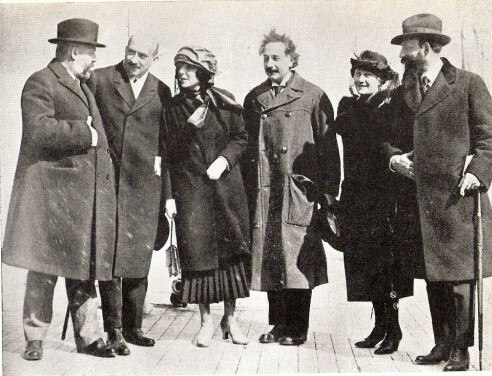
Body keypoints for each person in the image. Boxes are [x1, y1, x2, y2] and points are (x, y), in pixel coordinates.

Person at [384, 13, 492, 371]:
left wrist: (477, 174)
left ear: (427, 46)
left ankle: (461, 349)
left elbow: (491, 138)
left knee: (459, 278)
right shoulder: (404, 90)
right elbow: (388, 139)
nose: (402, 51)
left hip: (457, 197)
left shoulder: (467, 84)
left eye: (407, 44)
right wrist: (394, 160)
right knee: (434, 275)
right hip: (419, 199)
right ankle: (441, 343)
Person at [1, 18, 117, 360]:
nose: (94, 60)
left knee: (84, 269)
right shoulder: (40, 82)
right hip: (51, 197)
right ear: (75, 51)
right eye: (91, 52)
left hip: (80, 199)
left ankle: (90, 337)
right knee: (44, 268)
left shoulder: (84, 86)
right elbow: (37, 131)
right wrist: (86, 133)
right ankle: (34, 338)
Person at [242, 30, 341, 346]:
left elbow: (328, 149)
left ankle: (297, 328)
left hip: (298, 191)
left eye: (277, 58)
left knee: (297, 260)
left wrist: (327, 193)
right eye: (266, 58)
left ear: (292, 60)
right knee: (271, 257)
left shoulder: (312, 96)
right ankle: (277, 324)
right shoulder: (255, 98)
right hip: (266, 190)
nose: (270, 64)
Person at [89, 33, 171, 355]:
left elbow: (165, 146)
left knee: (138, 258)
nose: (133, 60)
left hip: (144, 189)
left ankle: (134, 327)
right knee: (109, 260)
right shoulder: (100, 79)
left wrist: (166, 195)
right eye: (130, 52)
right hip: (108, 183)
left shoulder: (162, 91)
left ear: (154, 59)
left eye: (142, 55)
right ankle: (114, 331)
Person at [164, 46, 251, 348]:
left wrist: (224, 160)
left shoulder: (225, 102)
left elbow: (241, 137)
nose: (181, 73)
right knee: (198, 259)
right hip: (192, 194)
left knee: (231, 259)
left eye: (188, 67)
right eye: (179, 67)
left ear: (204, 72)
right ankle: (205, 322)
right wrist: (188, 129)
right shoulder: (172, 109)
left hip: (227, 191)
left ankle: (232, 320)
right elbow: (168, 154)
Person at [333, 51, 414, 355]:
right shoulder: (349, 105)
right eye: (358, 73)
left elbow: (392, 142)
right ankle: (379, 326)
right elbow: (344, 127)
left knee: (387, 267)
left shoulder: (392, 105)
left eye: (368, 75)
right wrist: (364, 104)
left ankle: (394, 330)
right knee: (364, 266)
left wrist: (372, 106)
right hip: (355, 195)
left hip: (385, 197)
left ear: (382, 79)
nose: (361, 79)